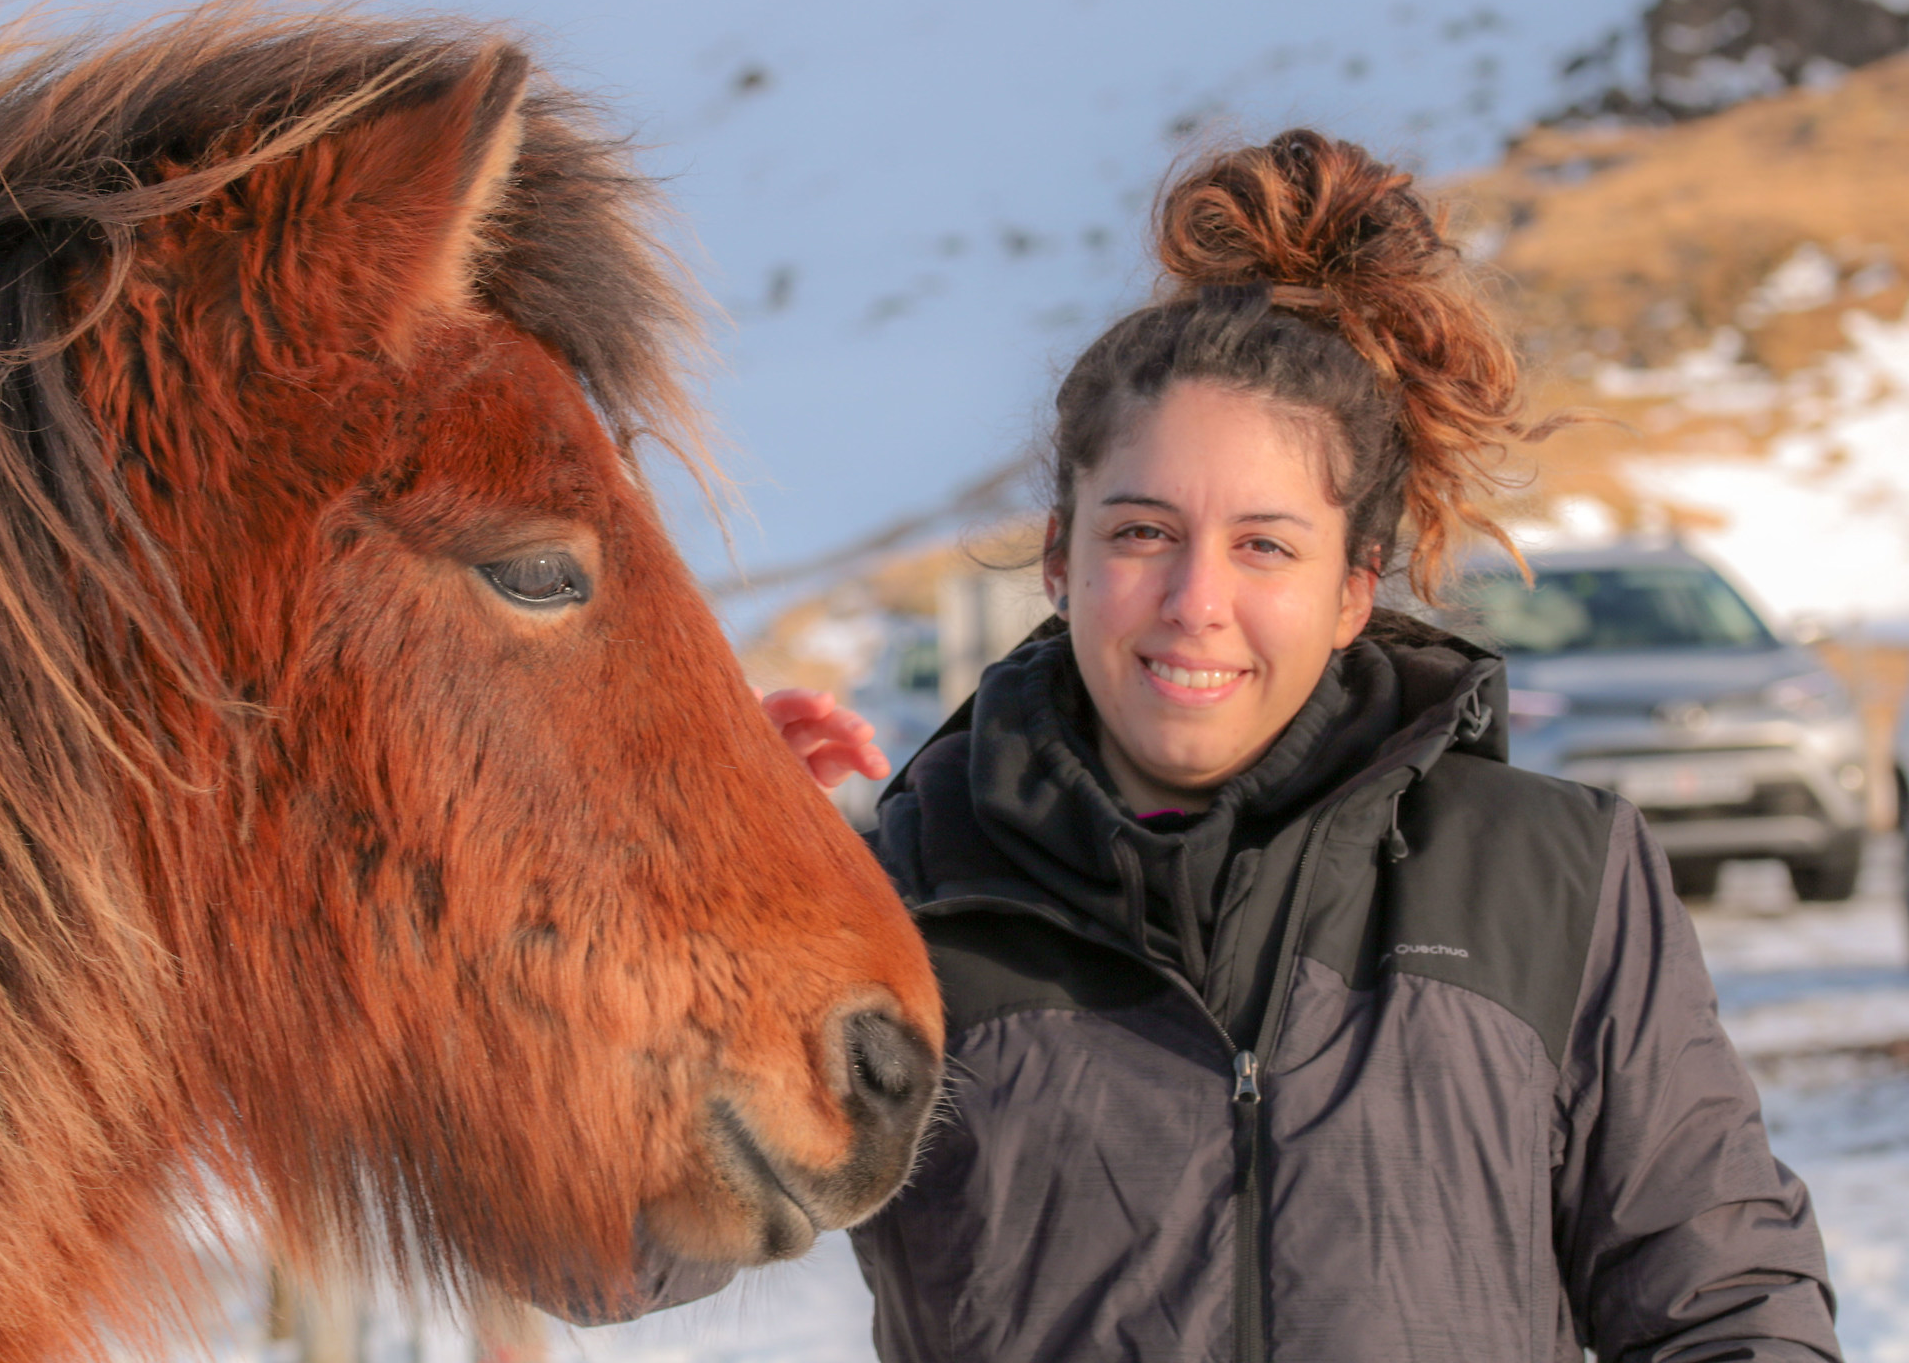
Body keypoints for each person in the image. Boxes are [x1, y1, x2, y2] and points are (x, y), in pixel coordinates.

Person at [760, 131, 1838, 1361]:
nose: (1195, 600)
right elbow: (618, 1251)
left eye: (1266, 545)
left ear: (1351, 593)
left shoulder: (1555, 880)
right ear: (1061, 557)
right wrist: (679, 897)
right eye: (1143, 532)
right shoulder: (906, 900)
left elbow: (1726, 1304)